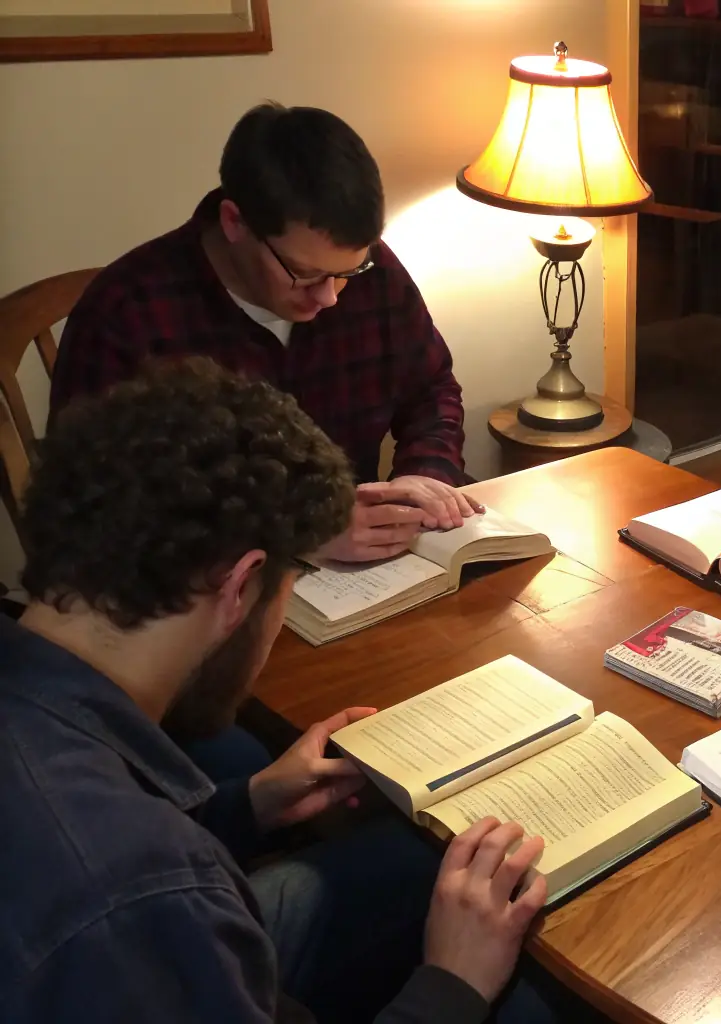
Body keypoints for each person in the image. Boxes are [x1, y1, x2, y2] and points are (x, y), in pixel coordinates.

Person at [0, 359, 547, 1023]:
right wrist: (453, 984)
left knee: (418, 859)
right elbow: (129, 892)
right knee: (532, 999)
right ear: (241, 587)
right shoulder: (139, 896)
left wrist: (244, 807)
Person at [50, 102, 475, 565]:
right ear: (235, 222)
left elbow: (430, 386)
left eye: (347, 272)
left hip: (357, 580)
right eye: (305, 274)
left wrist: (421, 477)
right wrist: (295, 535)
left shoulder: (375, 274)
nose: (330, 297)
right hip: (193, 594)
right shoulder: (126, 315)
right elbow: (95, 513)